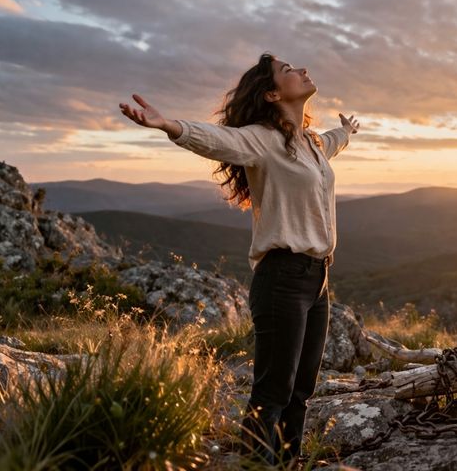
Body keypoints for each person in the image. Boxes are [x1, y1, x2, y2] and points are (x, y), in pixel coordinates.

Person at [118, 52, 360, 465]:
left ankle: (286, 464)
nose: (301, 70)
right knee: (272, 395)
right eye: (288, 71)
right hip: (281, 278)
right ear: (271, 93)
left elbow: (333, 145)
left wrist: (346, 130)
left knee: (301, 391)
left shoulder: (313, 142)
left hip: (317, 279)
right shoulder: (260, 140)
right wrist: (169, 126)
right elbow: (218, 140)